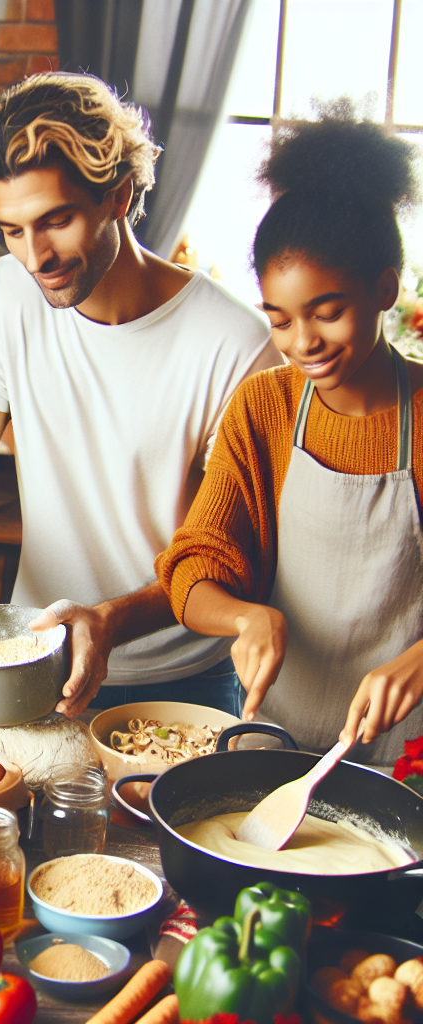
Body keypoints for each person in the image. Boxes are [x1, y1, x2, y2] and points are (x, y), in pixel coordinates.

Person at [0, 72, 279, 717]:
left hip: (181, 679)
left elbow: (233, 551)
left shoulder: (235, 343)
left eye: (57, 220)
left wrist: (108, 620)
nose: (36, 256)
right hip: (34, 659)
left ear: (120, 194)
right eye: (13, 230)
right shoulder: (7, 295)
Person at [156, 109, 423, 765]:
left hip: (408, 756)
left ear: (384, 289)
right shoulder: (265, 406)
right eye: (279, 319)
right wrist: (244, 617)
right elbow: (196, 567)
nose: (302, 343)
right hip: (274, 744)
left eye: (326, 312)